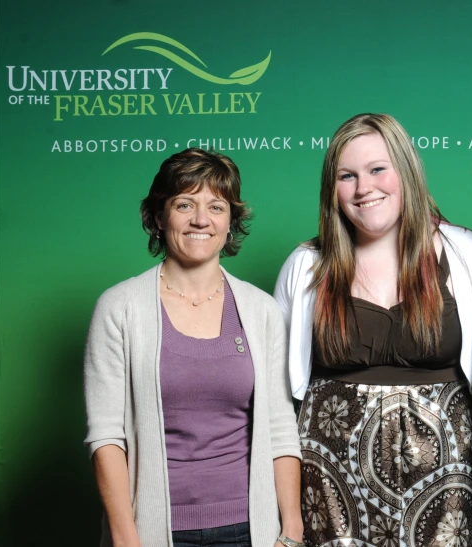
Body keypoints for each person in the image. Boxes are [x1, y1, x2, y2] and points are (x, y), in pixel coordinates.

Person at [274, 113, 472, 547]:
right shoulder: (305, 266)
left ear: (407, 171)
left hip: (446, 496)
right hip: (331, 493)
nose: (364, 188)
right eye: (347, 175)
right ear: (331, 189)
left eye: (378, 169)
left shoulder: (466, 254)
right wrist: (288, 519)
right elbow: (277, 401)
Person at [84, 148, 303, 547]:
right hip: (153, 530)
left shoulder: (261, 311)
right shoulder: (119, 308)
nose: (201, 219)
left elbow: (280, 428)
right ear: (159, 216)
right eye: (184, 204)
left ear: (230, 222)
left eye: (216, 207)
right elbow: (107, 437)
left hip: (250, 529)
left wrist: (291, 530)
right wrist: (125, 537)